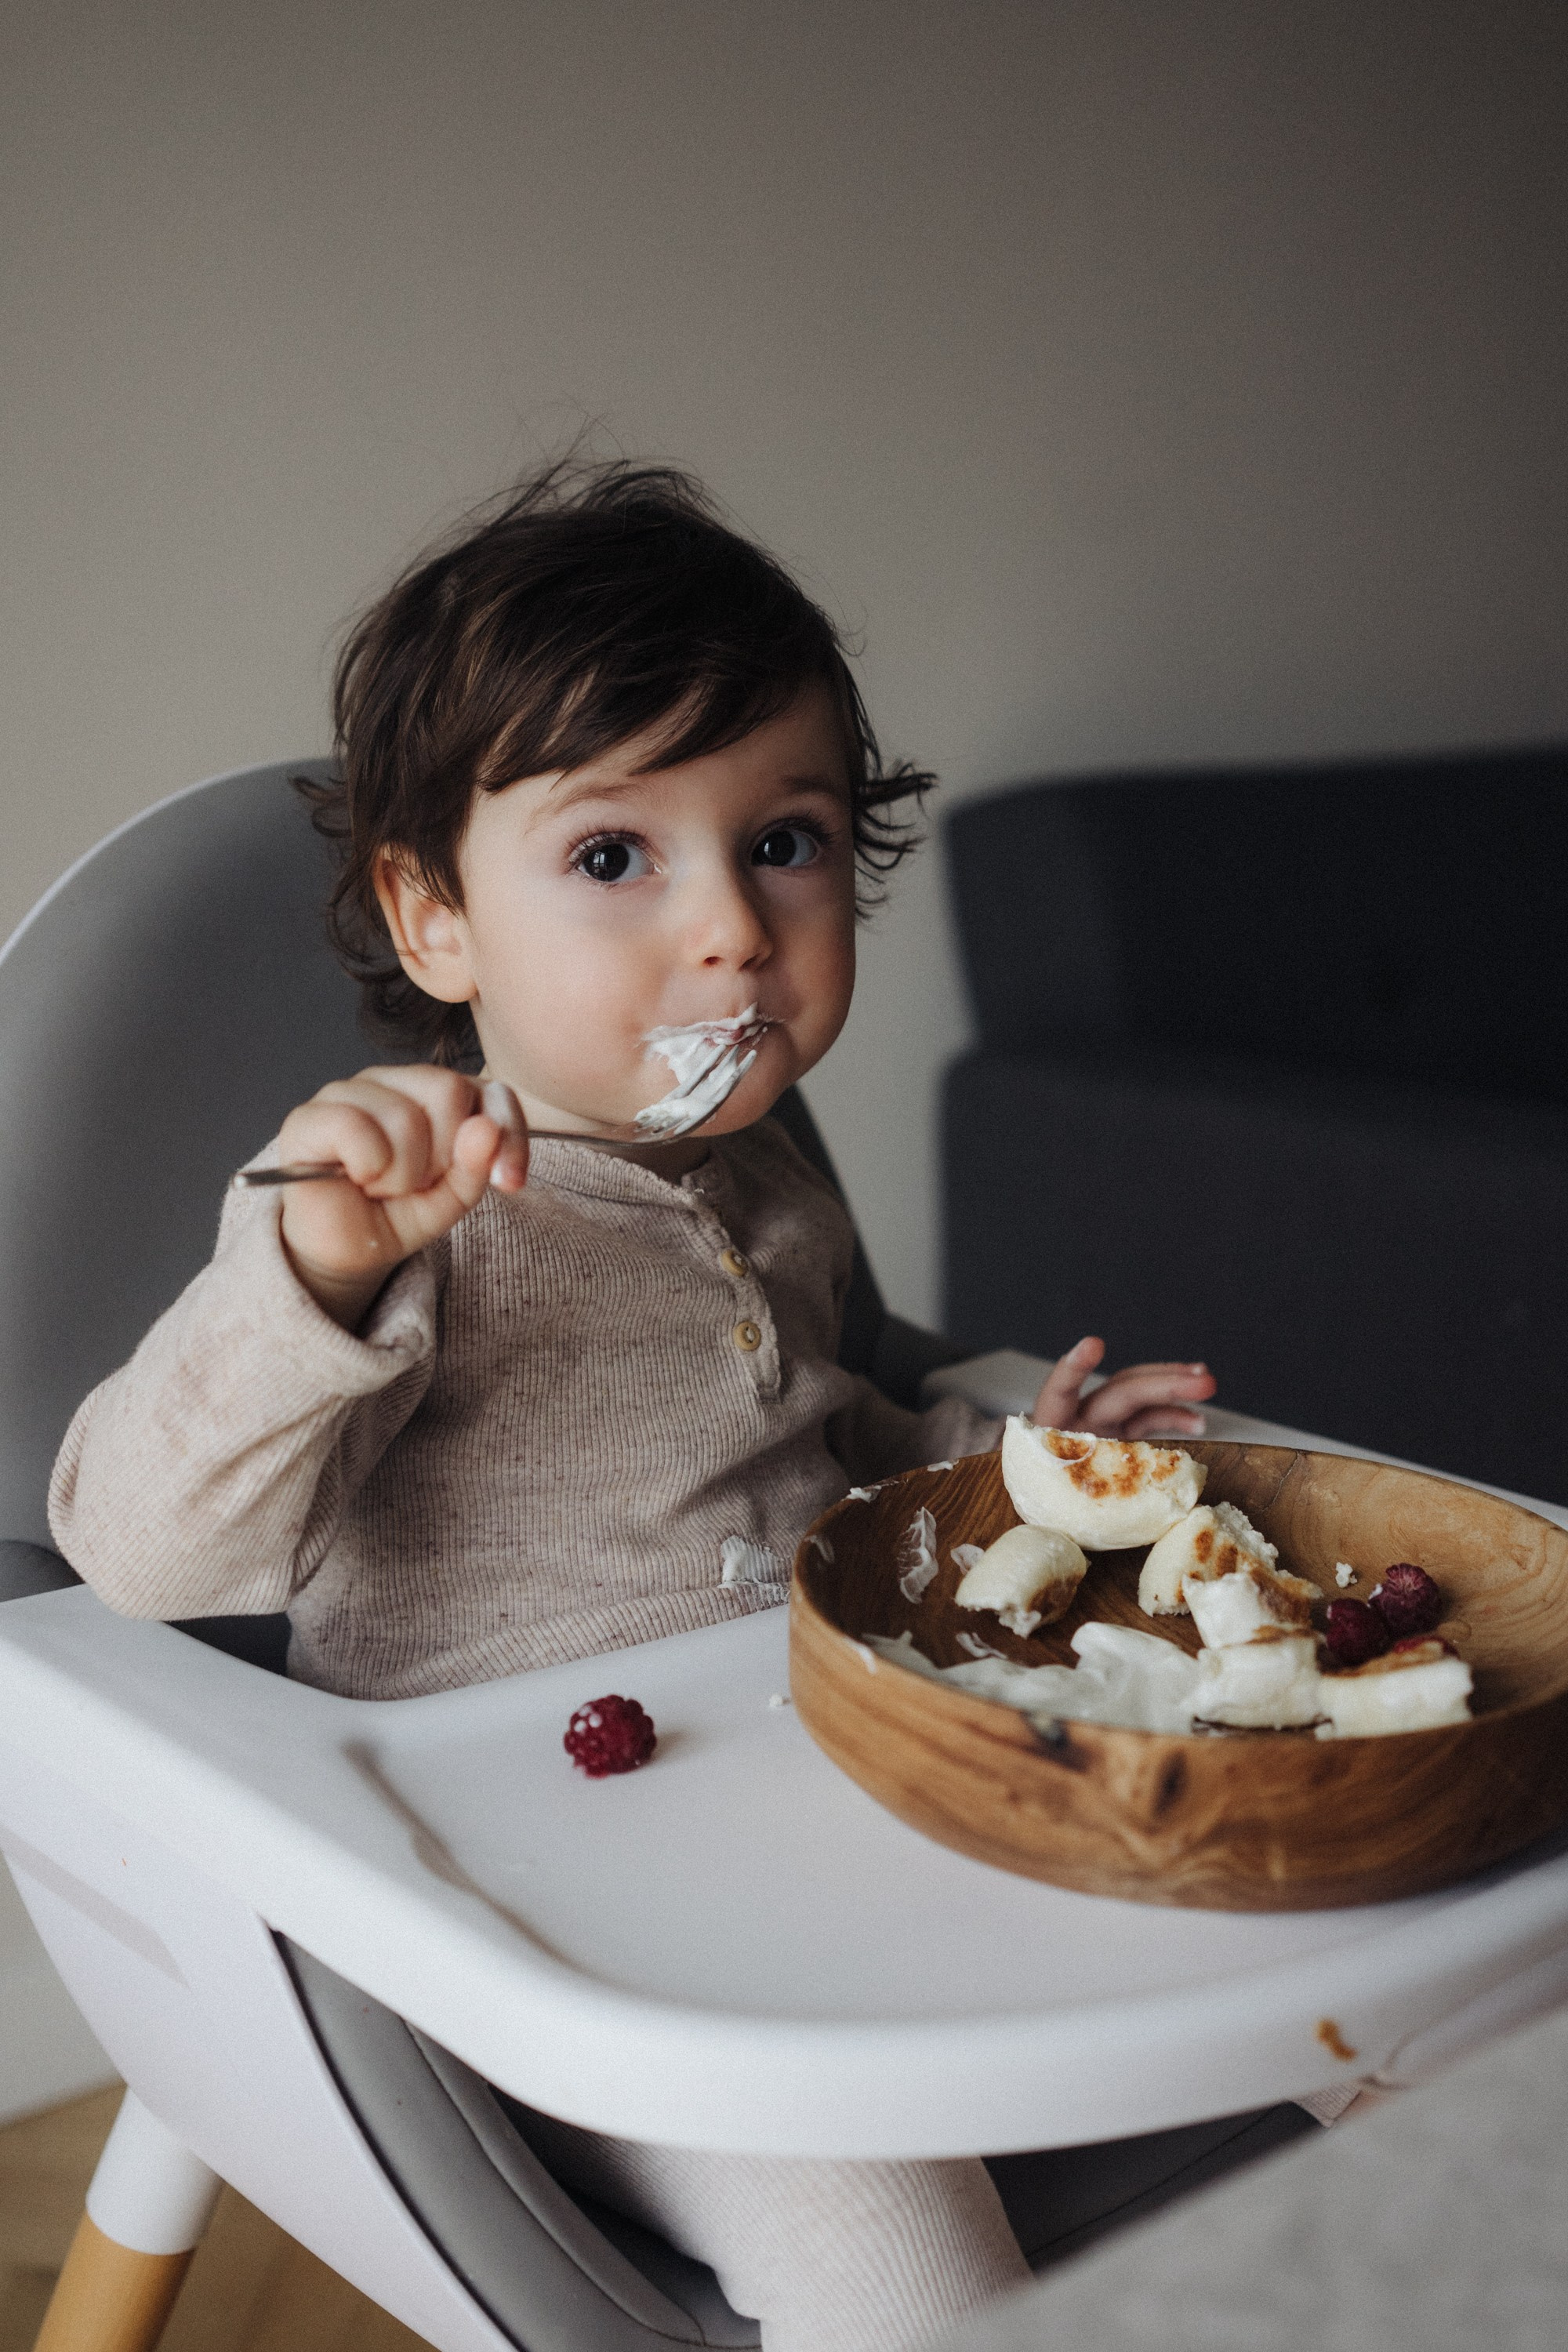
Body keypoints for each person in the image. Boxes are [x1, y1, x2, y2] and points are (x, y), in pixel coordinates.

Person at [49, 460, 1216, 2350]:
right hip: (542, 1930)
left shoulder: (762, 1180)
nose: (735, 933)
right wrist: (311, 1272)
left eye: (787, 842)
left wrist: (1006, 1479)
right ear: (435, 924)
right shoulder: (402, 1207)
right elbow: (137, 1543)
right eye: (614, 858)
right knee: (894, 2246)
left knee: (1297, 1958)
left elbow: (812, 1462)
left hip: (836, 1817)